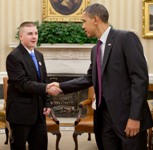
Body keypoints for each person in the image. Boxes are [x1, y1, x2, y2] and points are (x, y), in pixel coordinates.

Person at [50, 3, 153, 150]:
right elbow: (89, 78)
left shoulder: (125, 38)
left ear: (95, 19)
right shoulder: (95, 49)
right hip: (104, 119)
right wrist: (61, 86)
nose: (82, 26)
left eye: (84, 21)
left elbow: (139, 79)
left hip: (127, 118)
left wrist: (135, 117)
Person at [6, 21, 61, 150]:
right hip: (21, 114)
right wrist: (47, 88)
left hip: (39, 113)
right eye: (30, 34)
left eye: (36, 33)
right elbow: (22, 84)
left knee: (41, 146)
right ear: (21, 37)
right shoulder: (14, 57)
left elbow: (44, 80)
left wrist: (47, 103)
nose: (34, 37)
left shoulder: (39, 55)